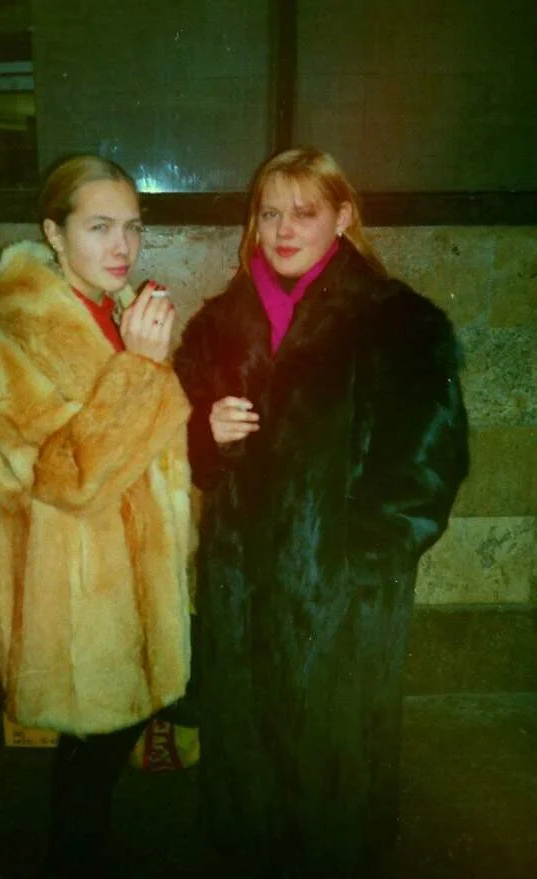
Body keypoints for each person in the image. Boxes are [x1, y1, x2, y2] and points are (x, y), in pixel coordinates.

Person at [174, 147, 469, 879]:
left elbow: (429, 466)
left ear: (342, 216)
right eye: (270, 212)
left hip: (344, 601)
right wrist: (205, 438)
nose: (282, 229)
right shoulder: (218, 326)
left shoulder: (399, 324)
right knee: (249, 777)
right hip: (241, 596)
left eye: (304, 212)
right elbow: (180, 455)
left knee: (333, 772)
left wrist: (360, 563)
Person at [0, 155, 193, 877]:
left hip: (133, 576)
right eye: (99, 227)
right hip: (76, 593)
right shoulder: (6, 341)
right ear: (53, 233)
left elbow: (152, 446)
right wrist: (141, 370)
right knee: (89, 763)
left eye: (133, 227)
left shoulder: (118, 311)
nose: (123, 246)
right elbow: (65, 480)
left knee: (101, 753)